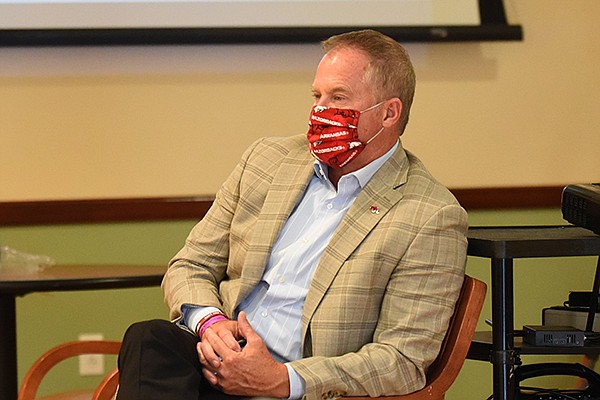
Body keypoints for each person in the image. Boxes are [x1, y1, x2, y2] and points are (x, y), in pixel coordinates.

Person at [116, 29, 468, 400]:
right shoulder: (267, 161)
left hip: (296, 385)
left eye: (338, 98)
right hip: (214, 360)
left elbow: (401, 360)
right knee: (150, 338)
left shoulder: (429, 214)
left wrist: (280, 379)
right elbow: (191, 264)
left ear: (388, 113)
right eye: (317, 96)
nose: (319, 111)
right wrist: (210, 323)